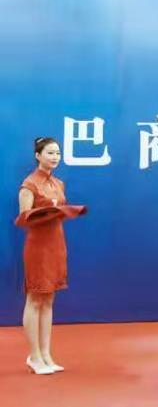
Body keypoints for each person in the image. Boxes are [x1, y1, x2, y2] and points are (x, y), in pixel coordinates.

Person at [18, 137, 85, 374]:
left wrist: (65, 212)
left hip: (57, 244)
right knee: (35, 299)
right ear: (38, 155)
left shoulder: (59, 184)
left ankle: (46, 354)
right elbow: (24, 218)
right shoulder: (29, 185)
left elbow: (59, 213)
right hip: (38, 246)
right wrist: (48, 213)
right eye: (50, 153)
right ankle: (34, 356)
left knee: (49, 300)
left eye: (58, 153)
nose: (55, 157)